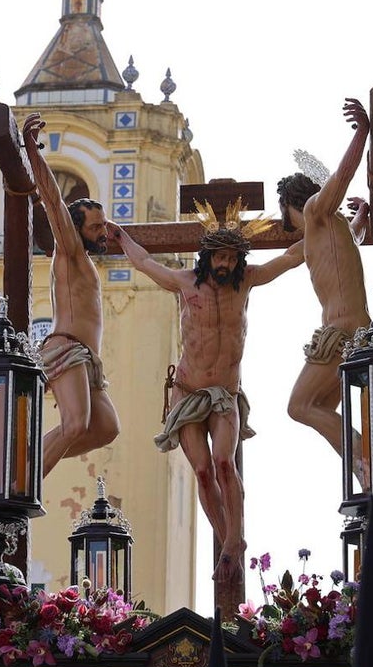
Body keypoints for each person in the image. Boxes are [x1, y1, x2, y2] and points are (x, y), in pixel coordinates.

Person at [109, 204, 303, 583]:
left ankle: (234, 540)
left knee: (224, 463)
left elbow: (292, 257)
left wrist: (330, 224)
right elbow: (146, 263)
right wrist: (121, 237)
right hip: (187, 391)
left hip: (224, 395)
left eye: (232, 257)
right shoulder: (185, 283)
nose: (226, 263)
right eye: (220, 256)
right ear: (208, 257)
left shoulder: (247, 280)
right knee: (201, 471)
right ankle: (228, 541)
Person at [22, 113, 121, 477]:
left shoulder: (85, 261)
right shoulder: (70, 251)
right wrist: (34, 155)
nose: (103, 232)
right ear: (75, 229)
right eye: (96, 226)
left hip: (88, 360)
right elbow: (52, 201)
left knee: (106, 428)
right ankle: (26, 481)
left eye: (104, 226)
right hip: (67, 347)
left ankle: (31, 454)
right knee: (76, 424)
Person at [277, 98, 372, 470]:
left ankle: (368, 462)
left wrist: (362, 131)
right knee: (320, 407)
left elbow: (342, 176)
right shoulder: (330, 233)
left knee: (298, 406)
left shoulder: (317, 212)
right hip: (354, 328)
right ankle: (363, 466)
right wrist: (362, 214)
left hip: (341, 331)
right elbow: (355, 237)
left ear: (289, 204)